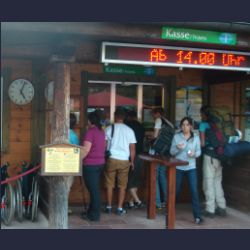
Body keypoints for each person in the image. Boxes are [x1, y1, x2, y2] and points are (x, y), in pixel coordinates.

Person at [170, 117, 203, 224]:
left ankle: (197, 216)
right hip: (178, 167)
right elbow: (171, 152)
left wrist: (195, 154)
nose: (185, 127)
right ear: (180, 126)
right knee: (176, 190)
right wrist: (177, 148)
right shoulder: (176, 137)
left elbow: (199, 152)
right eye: (183, 125)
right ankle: (170, 212)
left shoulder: (196, 137)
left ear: (191, 126)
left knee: (194, 191)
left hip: (191, 167)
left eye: (187, 125)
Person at [104, 108, 136, 215]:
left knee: (109, 184)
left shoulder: (108, 129)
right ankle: (119, 208)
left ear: (114, 116)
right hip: (124, 160)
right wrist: (132, 161)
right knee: (122, 185)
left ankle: (108, 207)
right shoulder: (129, 130)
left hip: (111, 159)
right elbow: (132, 149)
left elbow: (104, 146)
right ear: (125, 117)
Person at [199, 105, 227, 217]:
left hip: (209, 157)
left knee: (208, 183)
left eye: (201, 113)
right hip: (220, 156)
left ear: (204, 114)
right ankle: (222, 206)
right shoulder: (218, 124)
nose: (200, 116)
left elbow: (202, 143)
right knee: (217, 182)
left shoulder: (203, 125)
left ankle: (210, 209)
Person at [80, 111, 106, 221]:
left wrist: (76, 160)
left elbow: (86, 150)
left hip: (90, 164)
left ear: (91, 121)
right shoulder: (101, 131)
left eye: (88, 120)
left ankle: (94, 215)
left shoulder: (90, 132)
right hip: (100, 163)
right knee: (94, 189)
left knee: (93, 190)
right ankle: (91, 211)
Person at [151, 107, 174, 209]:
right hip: (166, 153)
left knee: (154, 176)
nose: (152, 116)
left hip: (158, 152)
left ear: (157, 114)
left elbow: (155, 136)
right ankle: (167, 201)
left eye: (153, 114)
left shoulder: (158, 120)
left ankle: (157, 203)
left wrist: (150, 139)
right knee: (162, 176)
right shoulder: (169, 123)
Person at [124, 110, 145, 209]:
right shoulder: (141, 126)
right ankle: (131, 202)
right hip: (140, 155)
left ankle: (137, 201)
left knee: (128, 180)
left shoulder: (126, 126)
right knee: (135, 179)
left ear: (128, 117)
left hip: (129, 155)